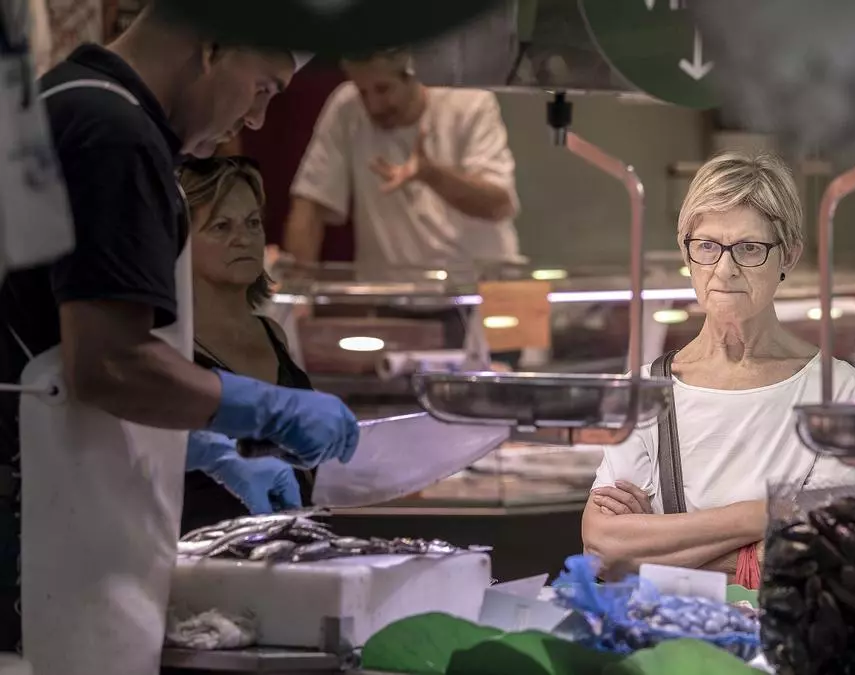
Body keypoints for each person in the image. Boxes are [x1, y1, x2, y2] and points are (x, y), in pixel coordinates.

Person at [0, 5, 359, 675]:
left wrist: (202, 449)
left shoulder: (70, 99)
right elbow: (106, 365)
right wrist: (262, 407)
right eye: (264, 87)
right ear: (214, 44)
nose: (258, 119)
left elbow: (42, 341)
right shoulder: (113, 135)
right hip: (39, 554)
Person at [580, 153, 855, 584]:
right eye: (707, 246)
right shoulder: (641, 390)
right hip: (666, 627)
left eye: (750, 249)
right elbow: (602, 551)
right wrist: (765, 515)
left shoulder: (834, 388)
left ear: (788, 256)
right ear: (687, 253)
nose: (724, 269)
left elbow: (825, 555)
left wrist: (653, 549)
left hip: (780, 626)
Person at [283, 48, 522, 365]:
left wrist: (431, 174)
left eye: (383, 89)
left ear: (414, 75)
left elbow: (499, 204)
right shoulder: (346, 107)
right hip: (392, 302)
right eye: (363, 91)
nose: (373, 105)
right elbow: (309, 205)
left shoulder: (470, 101)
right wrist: (298, 298)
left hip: (487, 298)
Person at [178, 156, 317, 533]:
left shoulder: (273, 333)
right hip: (204, 550)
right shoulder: (170, 345)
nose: (244, 238)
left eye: (253, 223)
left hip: (292, 542)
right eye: (221, 226)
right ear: (181, 240)